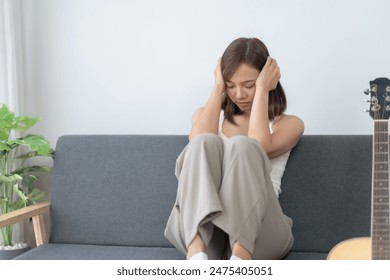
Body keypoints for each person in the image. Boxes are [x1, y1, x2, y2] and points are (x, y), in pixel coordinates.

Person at [164, 37, 304, 260]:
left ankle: (240, 258)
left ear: (267, 79)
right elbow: (195, 144)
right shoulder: (206, 116)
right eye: (230, 85)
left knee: (243, 145)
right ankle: (196, 253)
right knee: (204, 141)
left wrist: (262, 92)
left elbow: (258, 145)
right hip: (207, 233)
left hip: (261, 232)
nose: (239, 94)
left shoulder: (288, 124)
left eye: (249, 85)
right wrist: (218, 86)